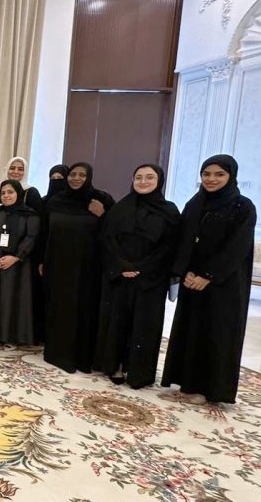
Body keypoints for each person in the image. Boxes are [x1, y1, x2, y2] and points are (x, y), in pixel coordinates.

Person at [162, 155, 256, 404]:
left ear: (231, 177)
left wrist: (209, 275)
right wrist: (185, 271)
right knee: (190, 331)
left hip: (224, 284)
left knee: (216, 333)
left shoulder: (242, 207)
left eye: (219, 174)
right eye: (207, 174)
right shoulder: (196, 203)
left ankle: (209, 390)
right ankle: (187, 385)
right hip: (192, 280)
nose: (211, 179)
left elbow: (237, 247)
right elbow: (183, 239)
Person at [94, 164, 180, 389]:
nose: (143, 181)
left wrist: (142, 268)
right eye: (138, 177)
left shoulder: (169, 211)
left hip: (151, 279)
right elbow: (107, 239)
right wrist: (122, 265)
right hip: (120, 276)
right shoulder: (120, 208)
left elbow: (170, 246)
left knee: (145, 325)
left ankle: (138, 372)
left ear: (159, 181)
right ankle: (114, 366)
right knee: (117, 322)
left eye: (149, 177)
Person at [41, 162, 115, 373]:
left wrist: (102, 215)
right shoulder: (56, 201)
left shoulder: (101, 200)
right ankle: (56, 353)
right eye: (73, 174)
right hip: (58, 264)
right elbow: (45, 233)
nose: (76, 178)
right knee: (59, 307)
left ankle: (83, 357)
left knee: (85, 308)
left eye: (82, 175)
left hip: (88, 267)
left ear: (89, 177)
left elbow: (116, 231)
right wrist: (42, 261)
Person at [0, 180, 40, 349]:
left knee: (12, 299)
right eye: (3, 193)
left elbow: (31, 237)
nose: (6, 196)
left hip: (17, 266)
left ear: (18, 194)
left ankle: (10, 337)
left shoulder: (29, 215)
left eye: (10, 192)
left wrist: (16, 257)